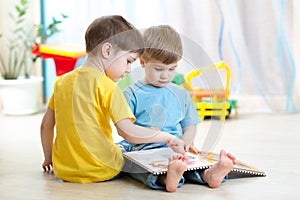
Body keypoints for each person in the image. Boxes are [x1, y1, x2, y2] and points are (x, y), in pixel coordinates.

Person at [40, 16, 185, 184]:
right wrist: (167, 137)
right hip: (102, 168)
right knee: (136, 159)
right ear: (107, 51)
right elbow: (128, 132)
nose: (129, 69)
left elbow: (46, 125)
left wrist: (49, 158)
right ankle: (163, 178)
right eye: (128, 61)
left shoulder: (61, 82)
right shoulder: (108, 87)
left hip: (63, 170)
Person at [118, 25, 236, 192]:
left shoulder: (181, 94)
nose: (165, 75)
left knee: (188, 161)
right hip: (142, 149)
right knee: (132, 163)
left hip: (176, 149)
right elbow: (127, 130)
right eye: (158, 69)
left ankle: (209, 174)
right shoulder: (130, 94)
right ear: (143, 62)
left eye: (172, 69)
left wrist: (185, 143)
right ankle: (169, 177)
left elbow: (190, 127)